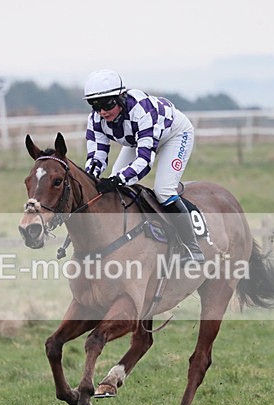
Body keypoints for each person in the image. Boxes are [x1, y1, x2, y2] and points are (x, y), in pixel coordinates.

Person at [83, 69, 204, 262]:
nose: (102, 111)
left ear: (121, 97)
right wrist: (88, 181)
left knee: (163, 190)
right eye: (95, 105)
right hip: (137, 139)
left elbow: (145, 161)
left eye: (107, 104)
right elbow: (96, 157)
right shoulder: (96, 119)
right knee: (117, 183)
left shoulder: (140, 110)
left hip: (175, 135)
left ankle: (192, 248)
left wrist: (116, 179)